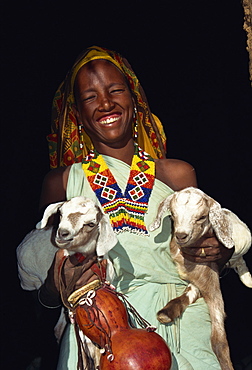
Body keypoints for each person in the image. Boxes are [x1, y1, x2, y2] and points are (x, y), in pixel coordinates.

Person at [18, 46, 246, 369]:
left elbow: (207, 255)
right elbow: (39, 302)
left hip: (180, 322)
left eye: (115, 90)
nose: (106, 103)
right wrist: (57, 281)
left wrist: (218, 254)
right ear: (77, 115)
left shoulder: (177, 173)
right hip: (100, 331)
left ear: (134, 99)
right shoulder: (61, 183)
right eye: (90, 97)